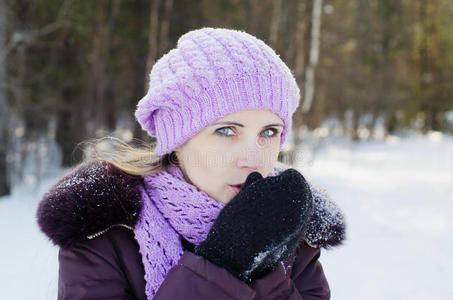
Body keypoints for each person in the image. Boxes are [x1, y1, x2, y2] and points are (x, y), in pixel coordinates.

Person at [37, 27, 346, 300]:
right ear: (177, 142)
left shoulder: (287, 227)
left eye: (269, 132)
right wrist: (225, 264)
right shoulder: (104, 236)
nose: (253, 160)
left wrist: (265, 268)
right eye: (226, 130)